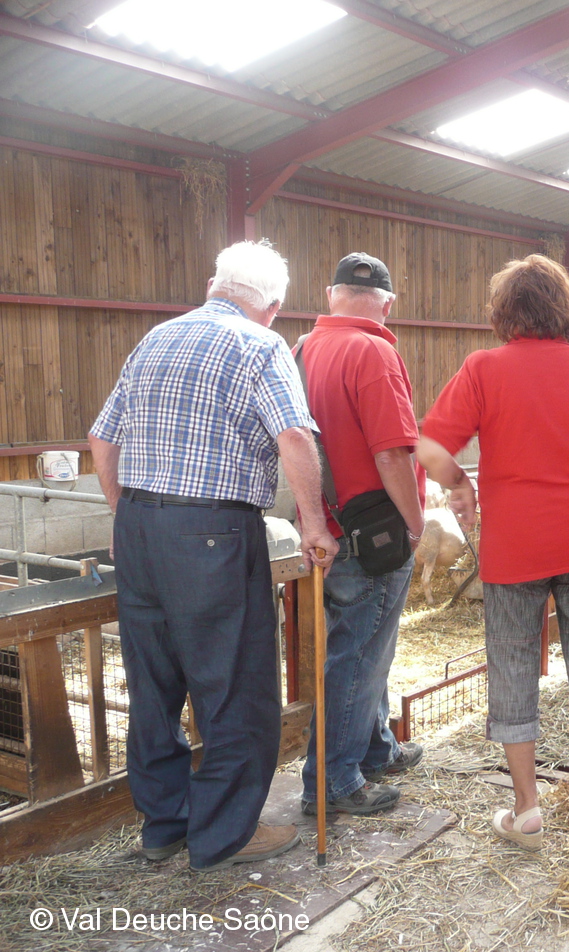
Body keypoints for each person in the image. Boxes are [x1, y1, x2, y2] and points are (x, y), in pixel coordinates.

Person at [87, 240, 338, 873]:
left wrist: (125, 514)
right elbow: (293, 435)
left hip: (139, 527)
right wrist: (313, 523)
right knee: (235, 684)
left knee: (153, 683)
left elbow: (101, 437)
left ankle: (165, 825)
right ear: (272, 306)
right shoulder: (262, 345)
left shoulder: (156, 339)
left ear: (212, 285)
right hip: (212, 533)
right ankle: (222, 836)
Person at [416, 254, 569, 852]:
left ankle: (527, 810)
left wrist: (461, 486)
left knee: (513, 668)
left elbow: (431, 449)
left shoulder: (483, 368)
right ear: (566, 309)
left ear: (504, 311)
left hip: (513, 547)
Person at [296, 253, 427, 818]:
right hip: (374, 533)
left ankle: (376, 748)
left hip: (326, 525)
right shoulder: (374, 351)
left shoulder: (303, 349)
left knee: (365, 646)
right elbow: (392, 453)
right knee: (358, 656)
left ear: (332, 295)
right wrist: (416, 522)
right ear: (387, 303)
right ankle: (333, 780)